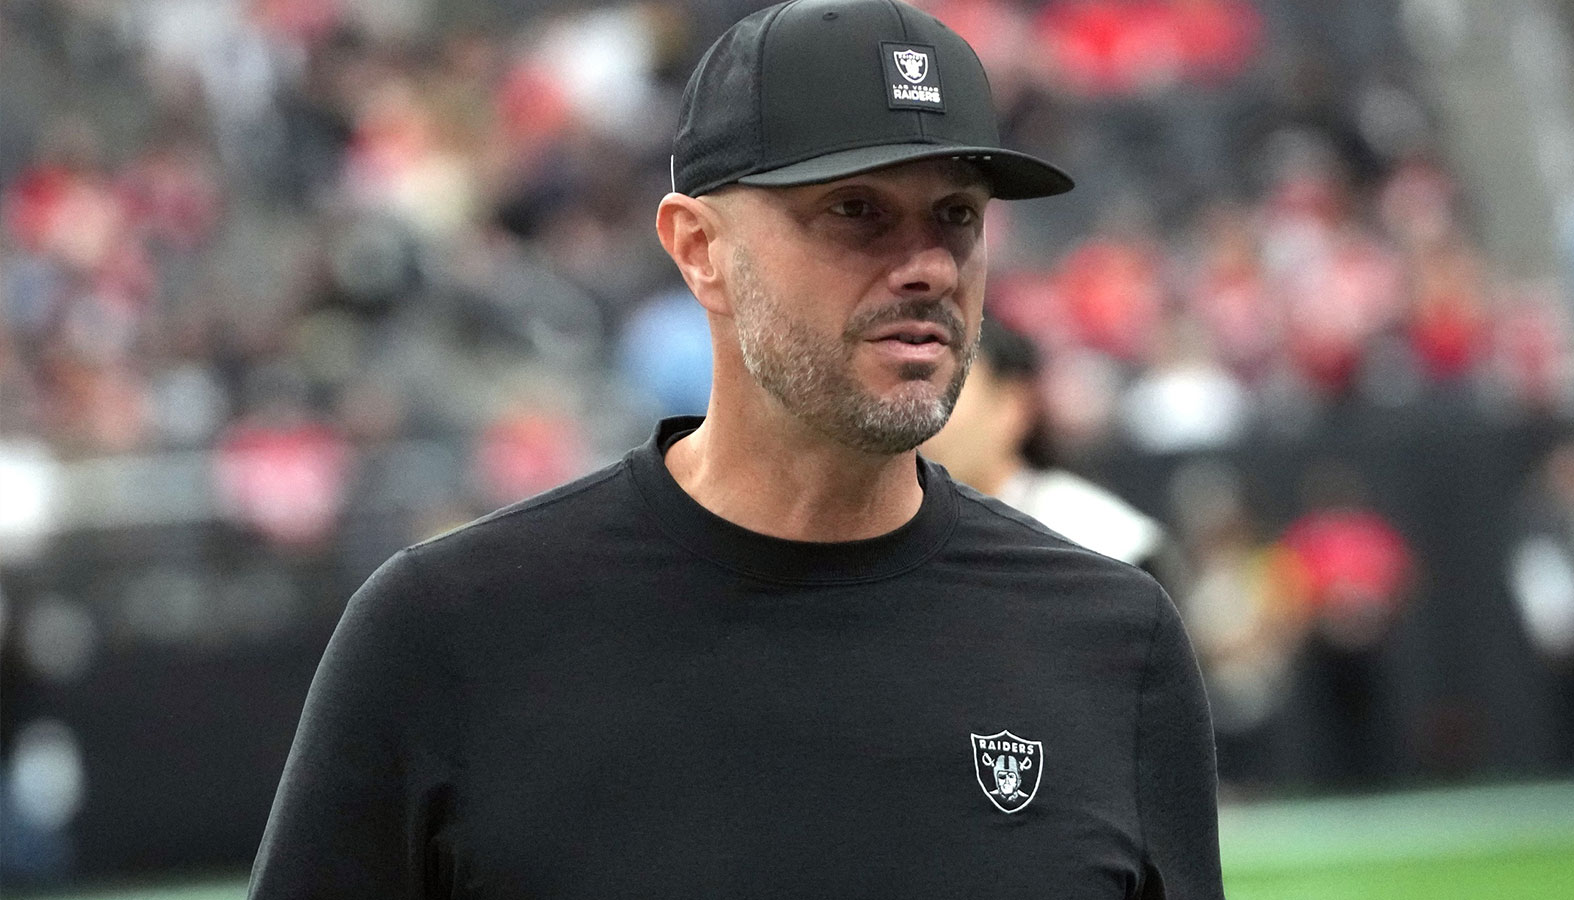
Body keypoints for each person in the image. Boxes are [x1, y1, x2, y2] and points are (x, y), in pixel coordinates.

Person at [249, 1, 1222, 896]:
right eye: (855, 210)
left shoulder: (1108, 638)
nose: (926, 265)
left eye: (955, 215)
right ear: (699, 249)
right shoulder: (447, 632)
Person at [919, 318, 1177, 578]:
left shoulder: (1101, 540)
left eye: (945, 390)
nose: (922, 413)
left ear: (1012, 406)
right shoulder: (903, 535)